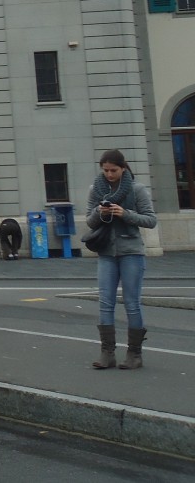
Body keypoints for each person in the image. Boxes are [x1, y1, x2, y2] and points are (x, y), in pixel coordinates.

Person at [86, 149, 157, 370]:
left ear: (123, 168)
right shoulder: (95, 189)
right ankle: (107, 353)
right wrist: (100, 213)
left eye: (113, 170)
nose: (109, 174)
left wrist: (125, 214)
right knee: (105, 303)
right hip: (106, 252)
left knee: (131, 303)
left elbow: (150, 220)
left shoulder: (137, 189)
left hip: (131, 252)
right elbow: (89, 221)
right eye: (105, 170)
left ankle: (134, 354)